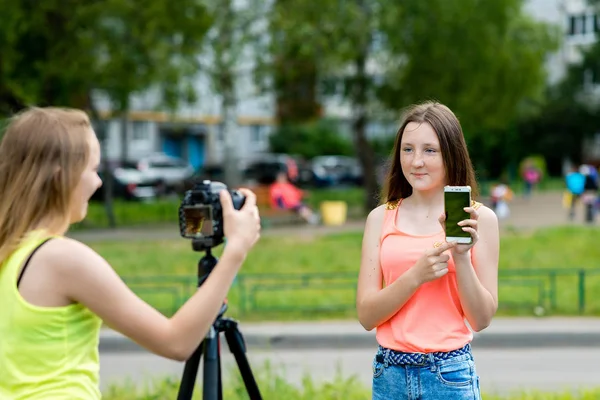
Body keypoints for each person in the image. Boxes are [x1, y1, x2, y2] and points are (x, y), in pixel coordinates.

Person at [0, 107, 261, 399]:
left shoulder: (9, 253)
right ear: (62, 175)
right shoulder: (62, 259)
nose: (98, 182)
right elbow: (176, 342)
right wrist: (236, 249)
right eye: (92, 170)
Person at [356, 101, 499, 399]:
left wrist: (462, 258)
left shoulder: (479, 219)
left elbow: (481, 319)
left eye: (429, 150)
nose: (416, 161)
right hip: (389, 375)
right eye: (407, 149)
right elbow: (367, 316)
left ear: (452, 154)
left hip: (449, 375)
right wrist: (415, 276)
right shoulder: (380, 218)